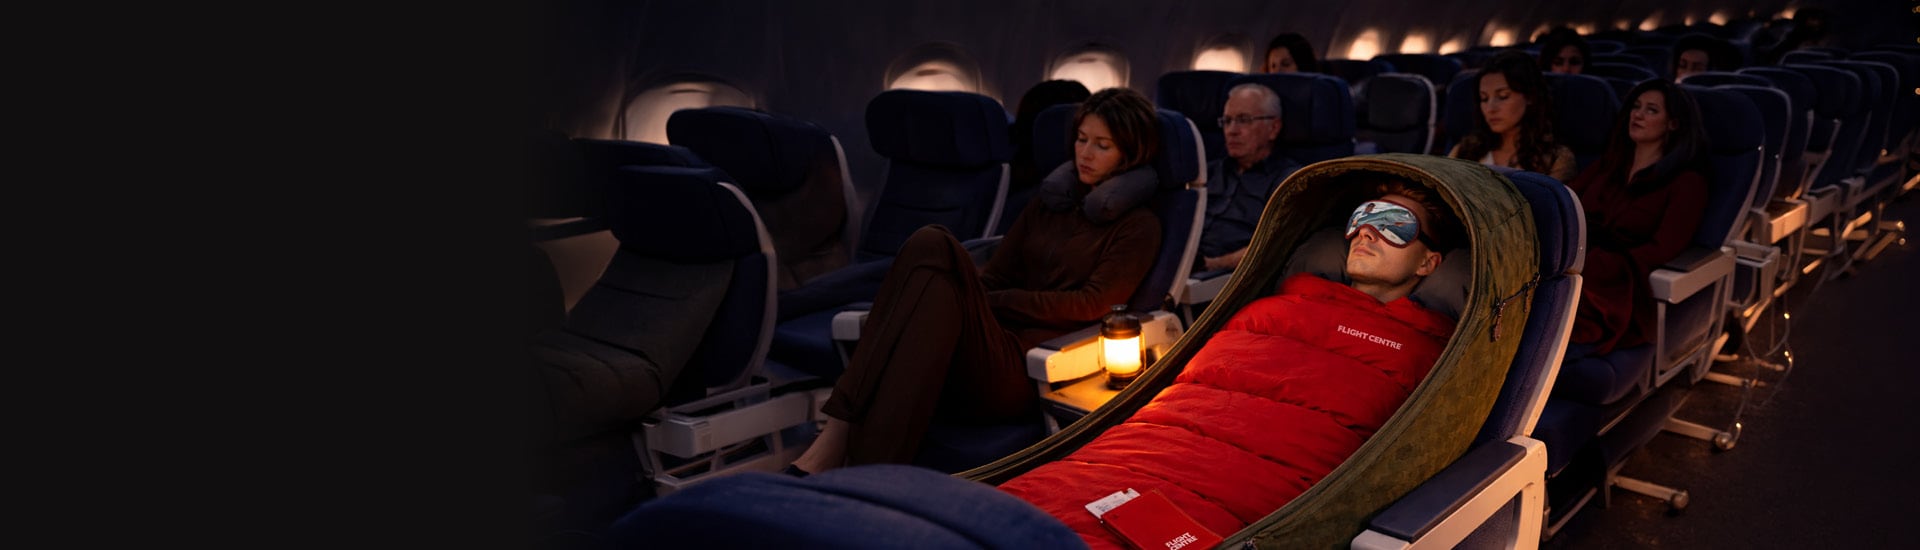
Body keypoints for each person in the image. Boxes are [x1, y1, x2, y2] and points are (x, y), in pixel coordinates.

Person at [998, 179, 1462, 548]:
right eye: (1362, 218)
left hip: (1249, 490)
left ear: (1428, 263)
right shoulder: (1272, 307)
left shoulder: (1425, 351)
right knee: (997, 519)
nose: (1367, 230)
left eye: (1393, 223)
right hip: (1141, 453)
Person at [786, 88, 1166, 474]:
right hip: (991, 341)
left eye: (1102, 145)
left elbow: (1093, 304)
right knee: (929, 262)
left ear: (1129, 153)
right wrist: (972, 298)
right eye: (1081, 140)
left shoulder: (1139, 226)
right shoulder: (1050, 203)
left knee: (933, 243)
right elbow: (998, 273)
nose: (1085, 154)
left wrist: (996, 301)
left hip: (1026, 366)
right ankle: (863, 461)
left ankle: (842, 444)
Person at [1564, 79, 1709, 357]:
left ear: (1673, 124)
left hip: (1618, 275)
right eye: (1635, 106)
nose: (1637, 114)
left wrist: (1594, 265)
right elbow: (1566, 201)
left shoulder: (1687, 182)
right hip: (1577, 254)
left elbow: (1662, 248)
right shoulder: (1609, 165)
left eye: (1651, 110)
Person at [1198, 83, 1303, 272]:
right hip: (1183, 267)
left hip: (1232, 276)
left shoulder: (1289, 180)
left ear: (1274, 128)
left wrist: (1212, 265)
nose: (1232, 130)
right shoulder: (1207, 172)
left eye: (1243, 120)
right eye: (1227, 121)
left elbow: (1274, 247)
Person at [1449, 50, 1578, 182]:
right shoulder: (1465, 150)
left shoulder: (1556, 158)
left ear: (1530, 97)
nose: (1490, 108)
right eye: (1484, 99)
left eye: (1503, 96)